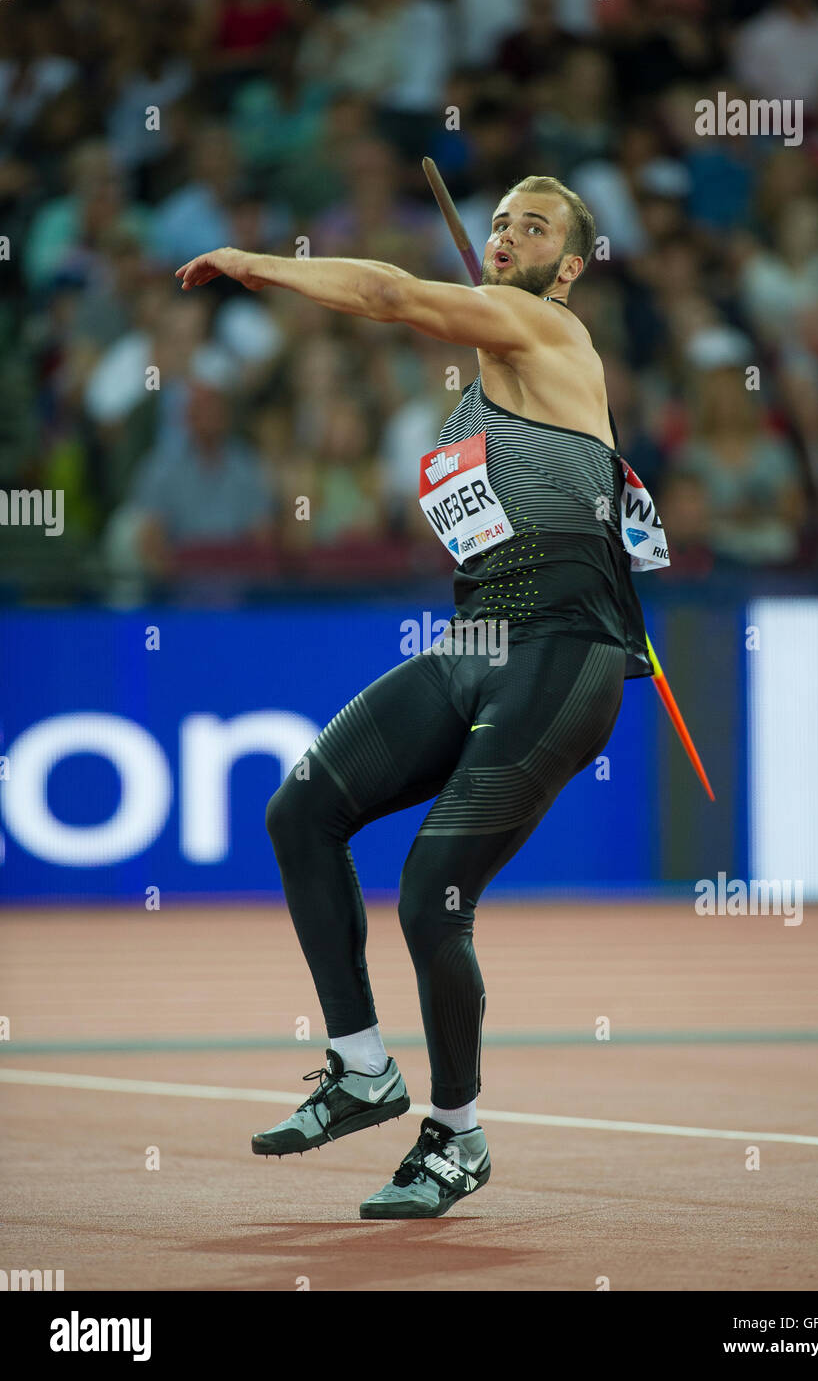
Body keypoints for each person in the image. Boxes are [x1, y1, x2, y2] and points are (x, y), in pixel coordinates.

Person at [176, 175, 657, 1219]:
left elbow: (392, 294)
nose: (505, 235)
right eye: (497, 222)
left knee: (433, 888)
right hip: (474, 641)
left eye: (534, 227)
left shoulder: (551, 333)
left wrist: (258, 265)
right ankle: (359, 1069)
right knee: (300, 809)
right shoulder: (486, 378)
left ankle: (456, 1134)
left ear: (569, 266)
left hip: (560, 654)